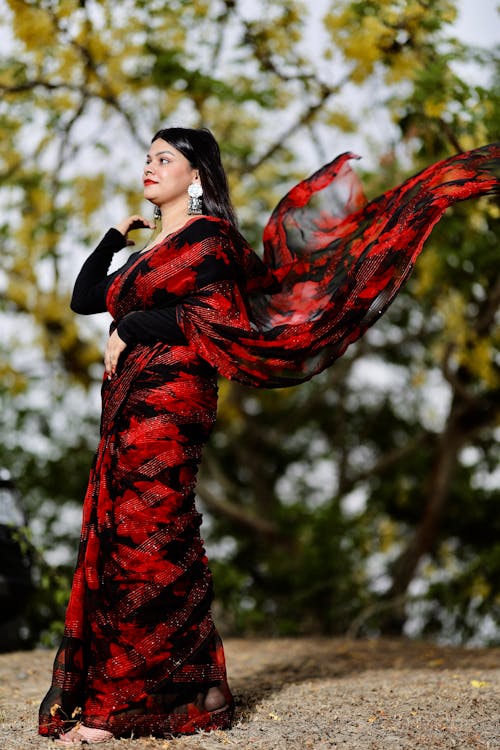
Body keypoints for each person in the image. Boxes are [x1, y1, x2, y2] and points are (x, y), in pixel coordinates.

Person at [38, 127, 499, 745]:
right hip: (126, 402)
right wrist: (117, 237)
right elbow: (84, 297)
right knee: (123, 531)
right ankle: (184, 688)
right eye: (146, 158)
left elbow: (216, 317)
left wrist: (135, 325)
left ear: (196, 175)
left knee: (152, 530)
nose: (149, 167)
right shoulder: (151, 252)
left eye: (164, 159)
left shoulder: (212, 241)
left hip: (172, 399)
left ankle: (123, 706)